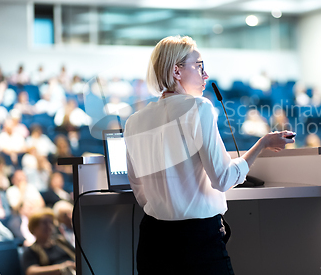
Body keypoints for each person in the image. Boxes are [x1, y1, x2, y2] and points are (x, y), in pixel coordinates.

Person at [124, 36, 294, 275]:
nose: (205, 75)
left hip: (153, 238)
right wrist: (262, 144)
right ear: (176, 70)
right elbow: (223, 179)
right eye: (199, 65)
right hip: (196, 240)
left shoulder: (133, 121)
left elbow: (139, 189)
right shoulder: (199, 108)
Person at [22, 208, 75, 275]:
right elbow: (31, 271)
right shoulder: (31, 250)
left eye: (51, 222)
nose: (49, 226)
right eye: (44, 223)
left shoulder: (60, 241)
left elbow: (77, 256)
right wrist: (61, 268)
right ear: (34, 227)